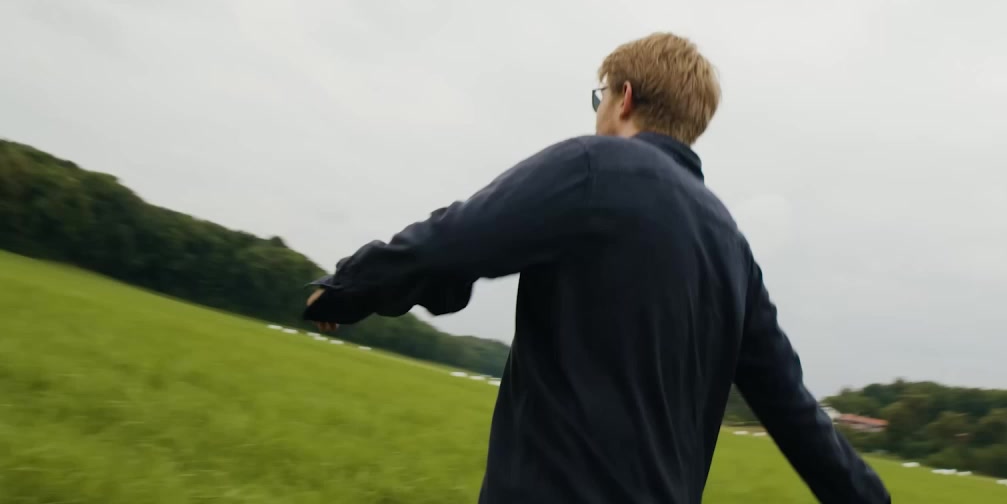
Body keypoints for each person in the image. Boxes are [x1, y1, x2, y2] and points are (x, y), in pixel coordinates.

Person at [304, 33, 890, 504]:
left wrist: (347, 289)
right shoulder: (733, 249)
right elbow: (793, 410)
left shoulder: (594, 167)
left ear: (624, 98)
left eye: (599, 98)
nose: (598, 113)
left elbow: (453, 240)